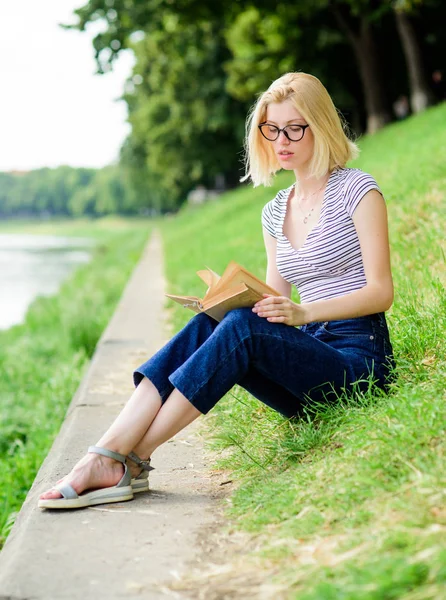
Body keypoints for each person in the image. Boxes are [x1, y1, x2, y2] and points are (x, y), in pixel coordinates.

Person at [39, 72, 395, 509]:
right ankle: (111, 453)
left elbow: (381, 292)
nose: (281, 140)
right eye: (271, 129)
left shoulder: (358, 191)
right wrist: (227, 303)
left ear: (320, 125)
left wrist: (303, 313)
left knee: (242, 326)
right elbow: (270, 299)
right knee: (217, 320)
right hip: (305, 372)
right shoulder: (274, 212)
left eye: (294, 128)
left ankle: (123, 460)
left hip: (358, 367)